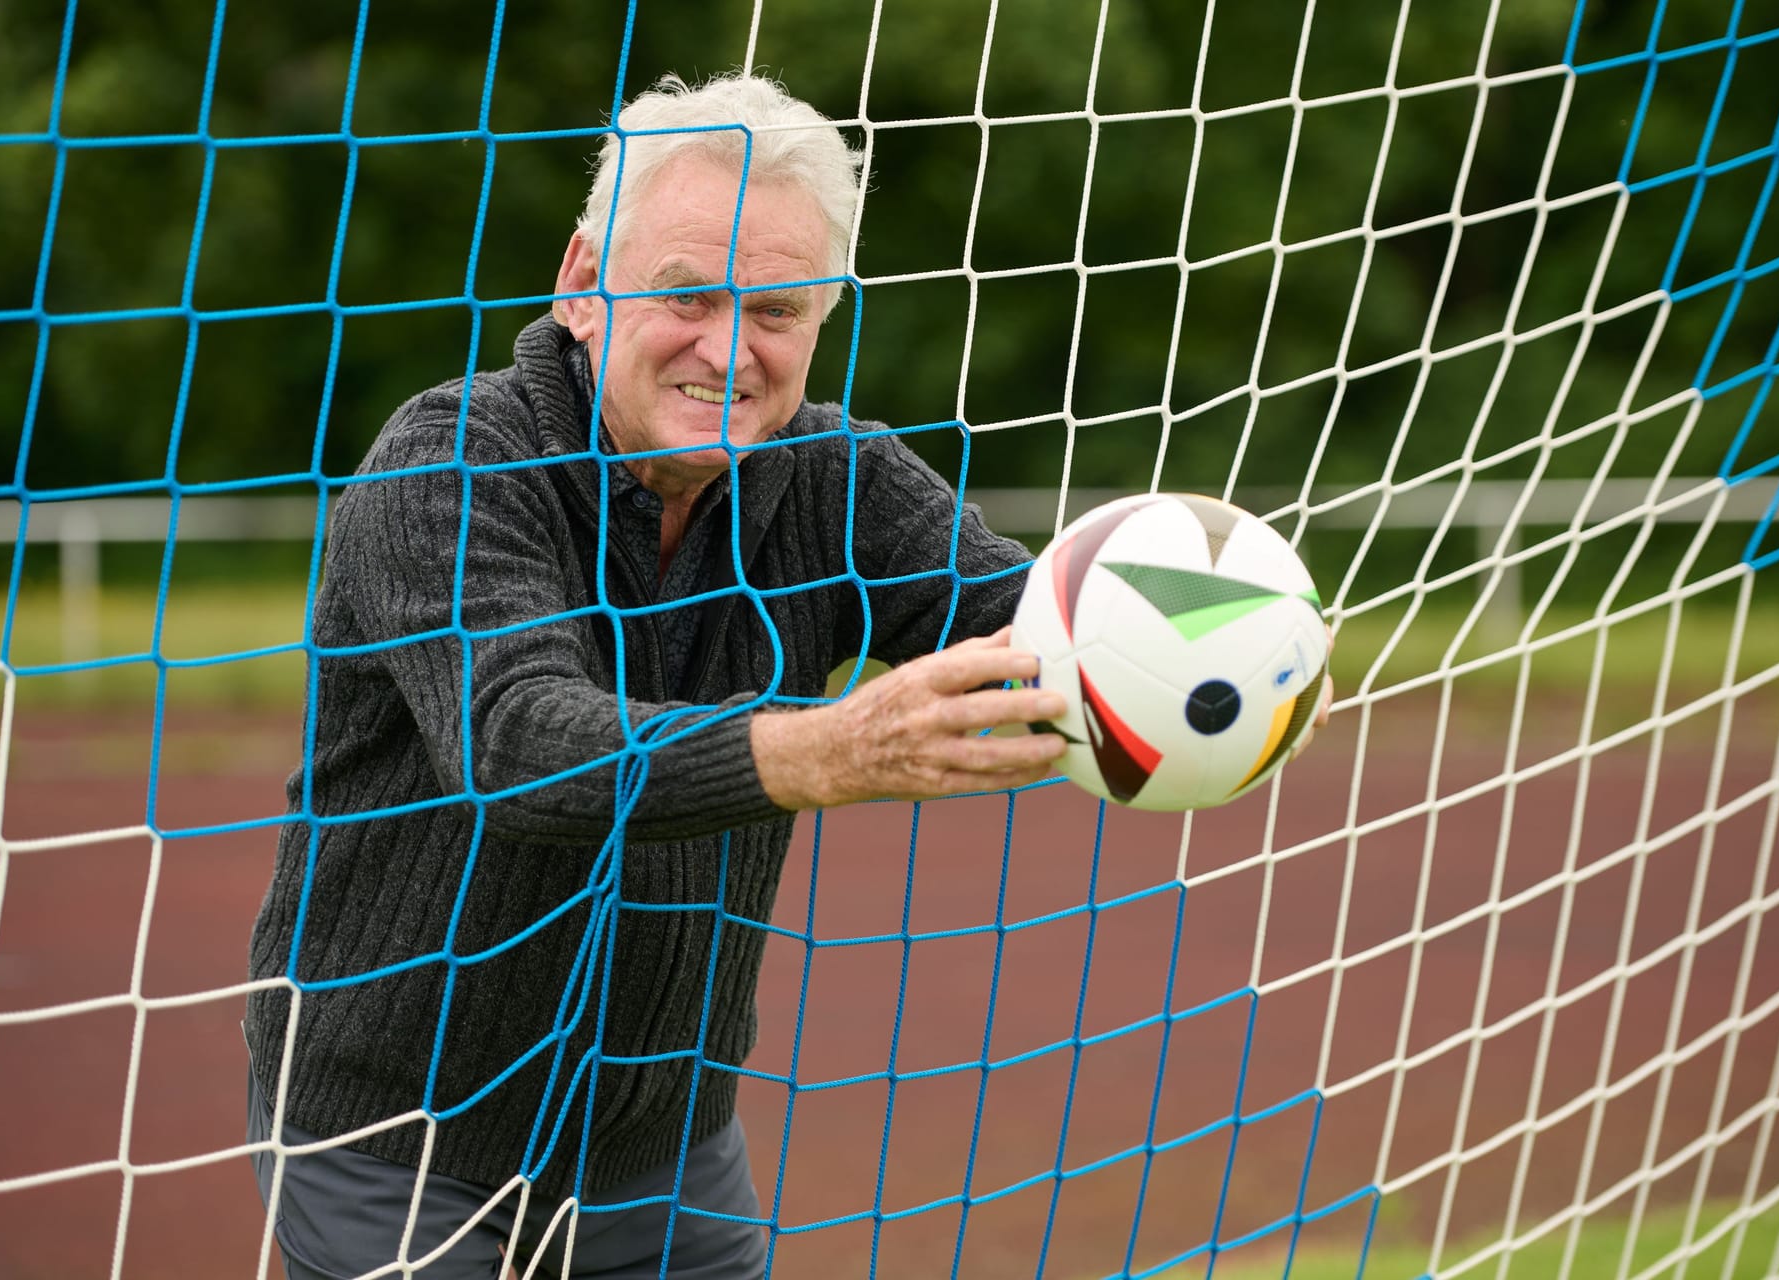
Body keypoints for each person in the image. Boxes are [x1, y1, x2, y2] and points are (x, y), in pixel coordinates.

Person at [244, 71, 1328, 1280]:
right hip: (397, 1137)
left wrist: (1226, 651)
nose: (730, 347)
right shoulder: (447, 461)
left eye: (778, 309)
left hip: (659, 1146)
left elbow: (1042, 628)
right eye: (688, 294)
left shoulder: (831, 478)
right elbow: (518, 742)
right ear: (580, 282)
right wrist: (828, 750)